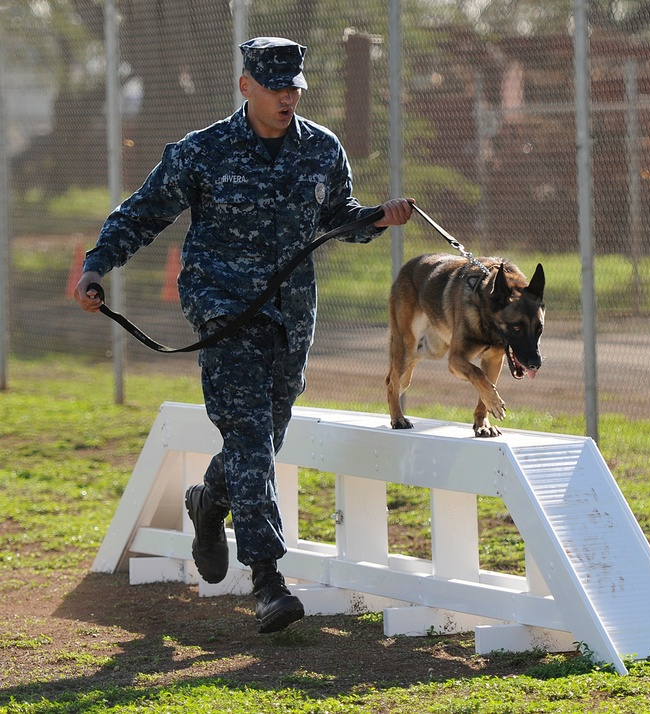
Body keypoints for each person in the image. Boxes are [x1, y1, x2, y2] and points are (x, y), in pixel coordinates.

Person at [74, 37, 413, 634]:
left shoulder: (322, 150)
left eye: (295, 89)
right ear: (246, 87)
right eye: (276, 88)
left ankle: (209, 502)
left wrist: (375, 219)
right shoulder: (203, 152)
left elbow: (338, 219)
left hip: (292, 315)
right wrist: (98, 264)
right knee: (252, 434)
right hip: (223, 310)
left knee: (266, 432)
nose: (288, 98)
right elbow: (143, 211)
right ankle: (267, 579)